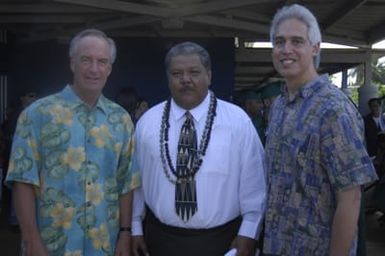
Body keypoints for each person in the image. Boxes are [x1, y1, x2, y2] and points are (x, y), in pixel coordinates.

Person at [5, 28, 139, 255]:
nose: (94, 69)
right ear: (72, 63)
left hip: (103, 245)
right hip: (50, 245)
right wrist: (30, 239)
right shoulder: (37, 114)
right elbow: (22, 181)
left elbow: (125, 183)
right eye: (86, 60)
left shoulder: (121, 120)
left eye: (102, 61)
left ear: (109, 68)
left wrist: (125, 233)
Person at [131, 42, 266, 256]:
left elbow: (255, 183)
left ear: (209, 75)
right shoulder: (148, 123)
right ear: (168, 78)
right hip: (160, 241)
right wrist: (135, 227)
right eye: (177, 73)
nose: (186, 79)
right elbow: (136, 182)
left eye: (194, 72)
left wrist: (249, 233)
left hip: (223, 242)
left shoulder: (238, 122)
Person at [263, 4, 377, 256]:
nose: (286, 49)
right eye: (279, 41)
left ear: (315, 48)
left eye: (297, 41)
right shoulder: (280, 106)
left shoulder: (333, 109)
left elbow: (351, 198)